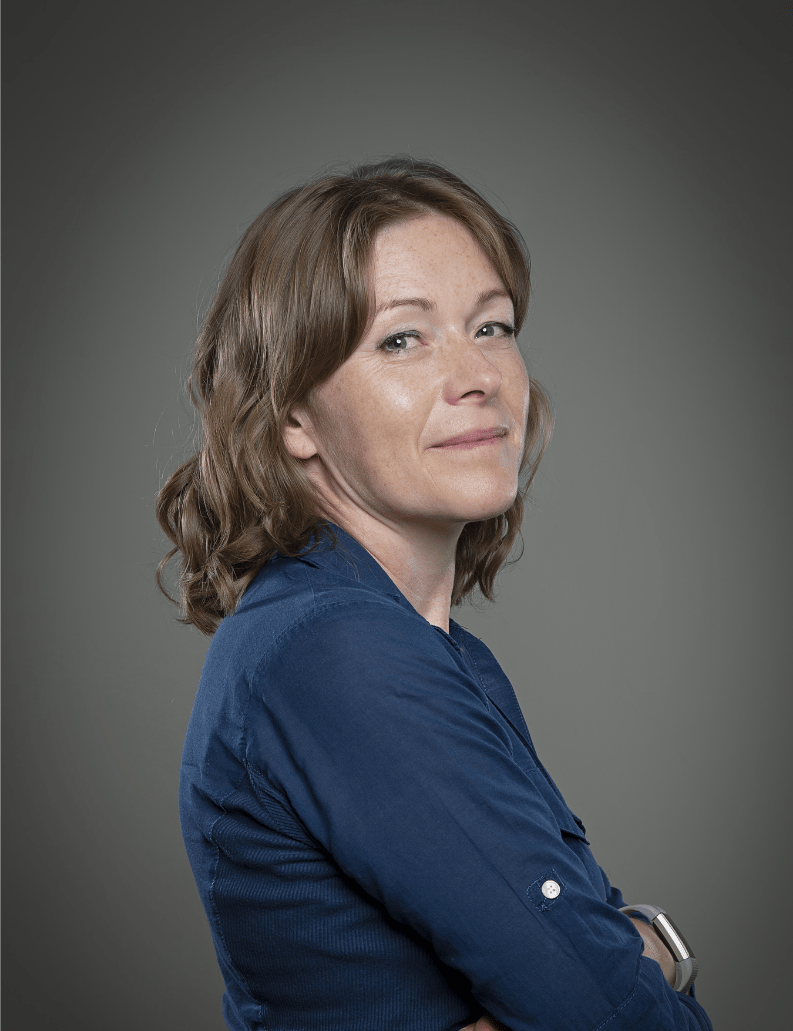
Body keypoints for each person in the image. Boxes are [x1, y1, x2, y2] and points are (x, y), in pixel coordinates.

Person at [157, 157, 713, 1031]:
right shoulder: (339, 654)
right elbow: (610, 1012)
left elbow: (589, 974)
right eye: (401, 340)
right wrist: (649, 949)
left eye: (491, 326)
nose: (476, 374)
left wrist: (636, 949)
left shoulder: (429, 653)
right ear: (293, 415)